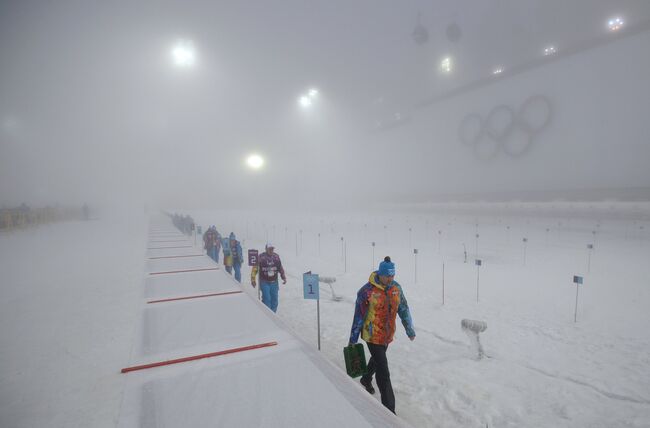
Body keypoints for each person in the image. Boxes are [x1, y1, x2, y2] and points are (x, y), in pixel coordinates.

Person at [348, 256, 415, 414]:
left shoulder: (396, 288)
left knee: (378, 359)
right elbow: (358, 316)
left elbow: (403, 308)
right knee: (383, 371)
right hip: (372, 336)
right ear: (380, 274)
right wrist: (352, 339)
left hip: (387, 334)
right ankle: (389, 411)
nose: (391, 278)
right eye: (388, 276)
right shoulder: (367, 291)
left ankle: (365, 378)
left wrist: (409, 329)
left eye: (393, 275)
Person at [250, 243, 286, 312]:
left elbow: (280, 267)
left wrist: (283, 277)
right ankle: (267, 314)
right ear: (266, 249)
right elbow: (255, 269)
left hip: (274, 282)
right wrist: (253, 279)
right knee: (267, 299)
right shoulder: (261, 257)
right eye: (269, 249)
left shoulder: (276, 257)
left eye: (272, 249)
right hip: (264, 282)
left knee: (274, 300)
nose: (271, 251)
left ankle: (273, 315)